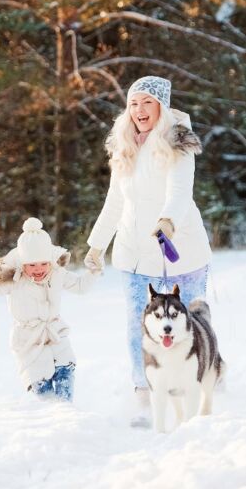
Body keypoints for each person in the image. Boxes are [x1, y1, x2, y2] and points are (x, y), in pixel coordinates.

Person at [83, 75, 212, 427]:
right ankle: (145, 394)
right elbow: (114, 202)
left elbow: (180, 190)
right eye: (134, 103)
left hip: (180, 250)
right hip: (135, 251)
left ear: (162, 107)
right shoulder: (123, 145)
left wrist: (168, 221)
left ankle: (196, 390)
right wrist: (97, 244)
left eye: (147, 103)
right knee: (137, 324)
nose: (139, 110)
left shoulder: (178, 141)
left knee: (192, 320)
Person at [0, 217, 99, 402]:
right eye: (32, 265)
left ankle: (66, 411)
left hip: (55, 334)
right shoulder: (15, 280)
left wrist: (94, 271)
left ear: (50, 259)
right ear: (23, 264)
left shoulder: (57, 273)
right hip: (28, 340)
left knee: (65, 370)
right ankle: (47, 414)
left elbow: (80, 286)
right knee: (42, 389)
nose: (38, 269)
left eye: (43, 263)